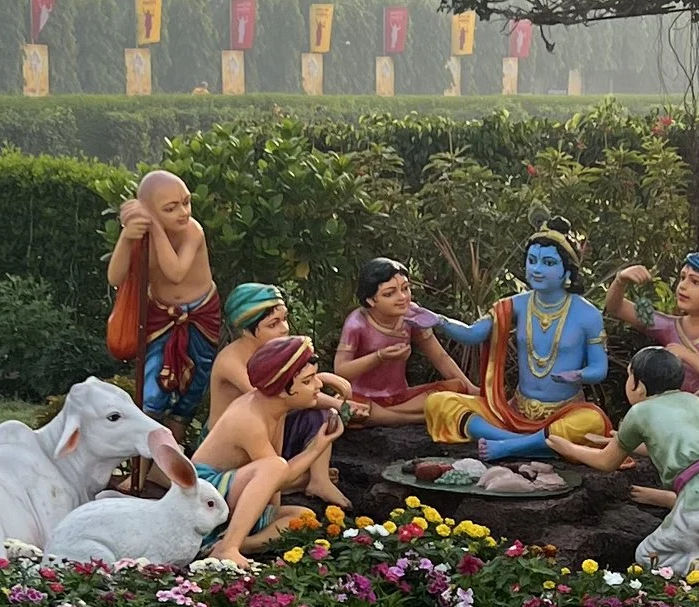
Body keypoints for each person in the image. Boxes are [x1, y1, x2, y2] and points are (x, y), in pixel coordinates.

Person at [565, 346, 699, 573]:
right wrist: (619, 442)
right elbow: (678, 449)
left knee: (649, 555)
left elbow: (606, 462)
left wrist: (569, 447)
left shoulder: (641, 411)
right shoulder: (695, 402)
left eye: (629, 376)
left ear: (639, 385)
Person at [422, 229, 610, 462]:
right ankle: (521, 442)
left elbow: (599, 369)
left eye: (548, 262)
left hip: (564, 410)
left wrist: (579, 375)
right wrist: (439, 321)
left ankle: (510, 446)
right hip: (514, 411)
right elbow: (473, 334)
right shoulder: (516, 304)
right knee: (438, 403)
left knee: (592, 422)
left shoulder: (588, 314)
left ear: (567, 271)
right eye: (532, 261)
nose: (537, 269)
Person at [190, 334, 351, 555]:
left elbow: (273, 482)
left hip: (233, 494)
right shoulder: (249, 419)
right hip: (202, 495)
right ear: (283, 390)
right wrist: (316, 448)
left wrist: (269, 512)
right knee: (274, 465)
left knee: (303, 518)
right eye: (308, 381)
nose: (318, 385)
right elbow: (277, 474)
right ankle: (228, 547)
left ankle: (238, 544)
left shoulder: (274, 409)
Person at [106, 170, 224, 430]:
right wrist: (127, 237)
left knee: (190, 390)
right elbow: (115, 277)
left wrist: (155, 226)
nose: (183, 212)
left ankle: (164, 466)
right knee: (153, 392)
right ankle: (143, 465)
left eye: (186, 202)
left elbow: (176, 272)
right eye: (171, 208)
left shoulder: (193, 231)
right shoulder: (141, 237)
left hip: (200, 315)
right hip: (161, 316)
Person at [334, 258, 469, 416]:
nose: (402, 297)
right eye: (389, 293)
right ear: (370, 300)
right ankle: (414, 418)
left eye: (405, 288)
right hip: (363, 398)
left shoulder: (411, 315)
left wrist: (470, 388)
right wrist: (379, 357)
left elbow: (440, 357)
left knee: (457, 388)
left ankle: (390, 414)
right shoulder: (357, 323)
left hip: (401, 398)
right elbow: (341, 370)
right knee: (350, 409)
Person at [603, 252, 699, 389]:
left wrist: (690, 358)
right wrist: (620, 280)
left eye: (695, 282)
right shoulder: (668, 326)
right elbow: (616, 307)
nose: (683, 285)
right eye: (682, 277)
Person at [207, 282, 294, 424]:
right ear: (246, 331)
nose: (284, 328)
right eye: (273, 324)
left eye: (284, 319)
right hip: (227, 442)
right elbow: (268, 398)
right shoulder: (230, 362)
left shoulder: (274, 351)